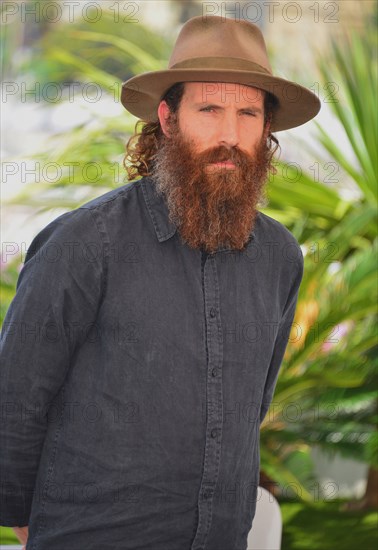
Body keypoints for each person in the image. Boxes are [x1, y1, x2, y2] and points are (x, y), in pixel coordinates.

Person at [0, 15, 320, 550]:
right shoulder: (84, 244)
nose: (230, 136)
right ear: (168, 119)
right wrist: (23, 514)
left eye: (248, 114)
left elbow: (252, 406)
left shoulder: (280, 257)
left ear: (267, 130)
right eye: (209, 110)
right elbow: (16, 394)